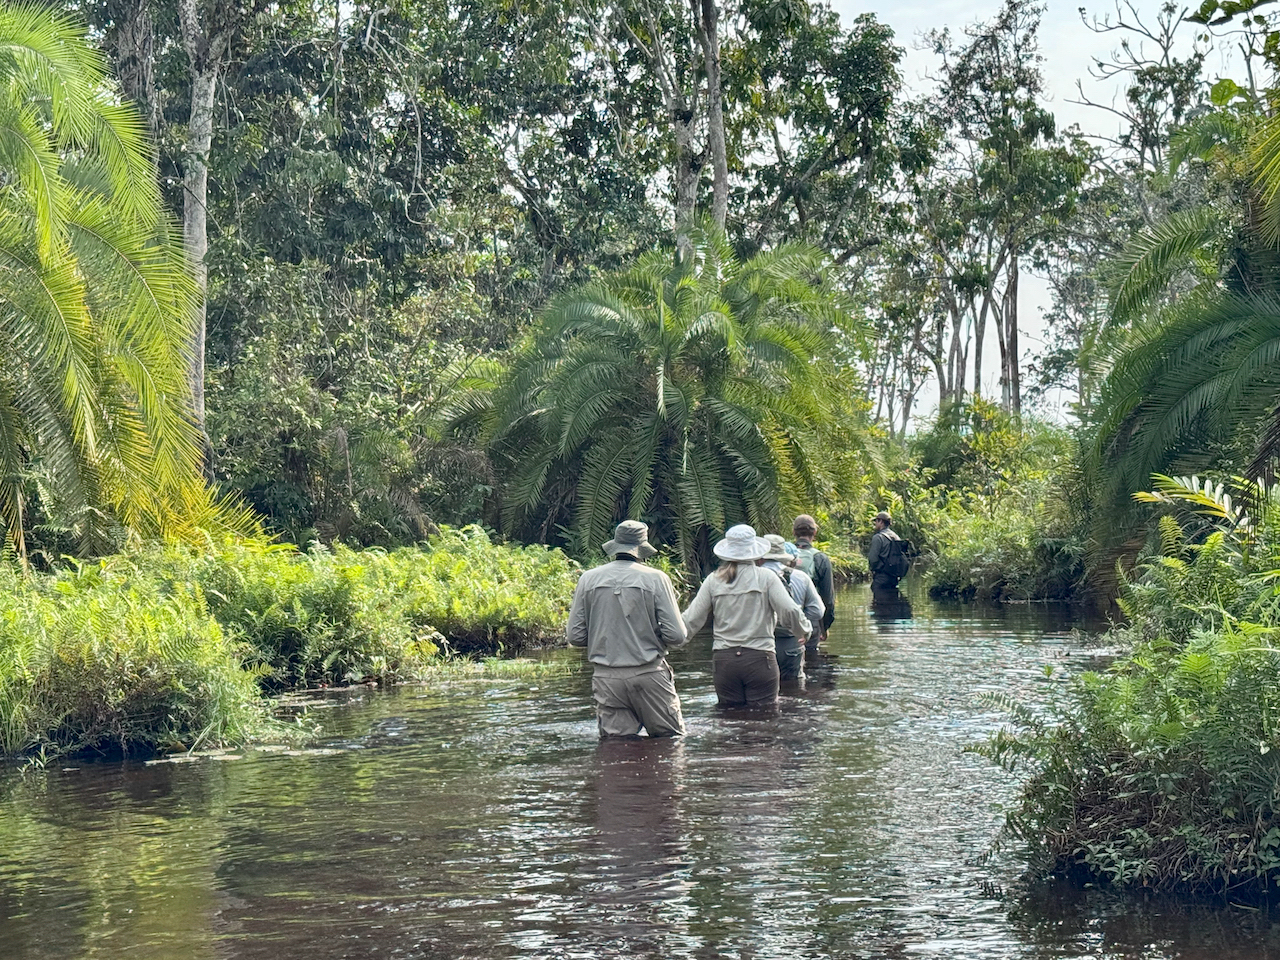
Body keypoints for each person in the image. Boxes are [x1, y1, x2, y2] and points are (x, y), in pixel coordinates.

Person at [567, 520, 688, 738]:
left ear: (615, 544)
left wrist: (602, 636)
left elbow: (575, 636)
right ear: (642, 548)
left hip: (607, 679)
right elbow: (677, 635)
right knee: (669, 742)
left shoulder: (588, 579)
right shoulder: (656, 579)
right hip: (648, 673)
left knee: (617, 748)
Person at [682, 523, 810, 708]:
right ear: (755, 551)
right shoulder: (766, 577)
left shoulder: (713, 580)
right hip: (760, 659)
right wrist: (803, 631)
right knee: (763, 722)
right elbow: (789, 611)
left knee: (728, 721)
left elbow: (691, 619)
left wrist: (670, 641)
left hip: (724, 662)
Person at [761, 535, 824, 681]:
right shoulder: (800, 577)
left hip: (760, 644)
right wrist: (802, 627)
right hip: (791, 642)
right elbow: (818, 610)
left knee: (762, 692)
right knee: (793, 689)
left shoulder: (752, 577)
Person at [792, 514, 835, 651]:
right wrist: (824, 626)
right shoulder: (820, 558)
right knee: (812, 661)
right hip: (811, 621)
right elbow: (827, 599)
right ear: (814, 532)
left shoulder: (784, 555)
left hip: (784, 622)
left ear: (794, 532)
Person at [867, 510, 906, 591]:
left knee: (877, 599)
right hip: (894, 578)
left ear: (881, 522)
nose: (875, 523)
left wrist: (873, 569)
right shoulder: (896, 536)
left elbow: (873, 558)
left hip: (881, 576)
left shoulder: (878, 537)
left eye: (876, 521)